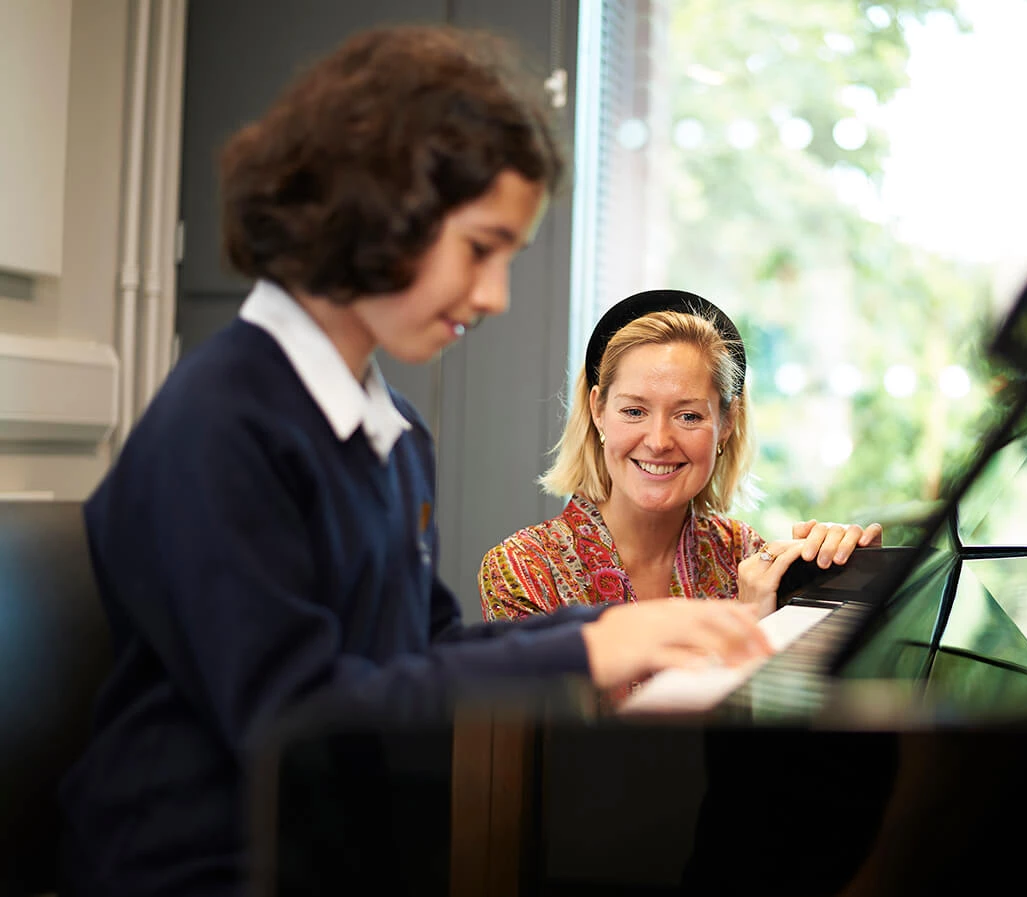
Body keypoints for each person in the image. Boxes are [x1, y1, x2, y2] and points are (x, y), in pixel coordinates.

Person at [57, 26, 771, 897]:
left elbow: (423, 647)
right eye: (480, 248)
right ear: (374, 207)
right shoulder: (219, 426)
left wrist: (602, 633)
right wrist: (586, 649)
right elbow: (297, 718)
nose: (496, 295)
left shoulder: (389, 427)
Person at [479, 289, 882, 624]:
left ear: (725, 424)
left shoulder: (746, 555)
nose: (658, 441)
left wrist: (852, 582)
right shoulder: (524, 571)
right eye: (634, 411)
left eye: (688, 416)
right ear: (598, 411)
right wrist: (747, 630)